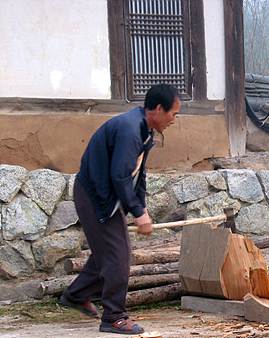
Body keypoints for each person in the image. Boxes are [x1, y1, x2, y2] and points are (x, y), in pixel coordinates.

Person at [59, 84, 180, 335]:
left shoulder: (143, 130)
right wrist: (137, 212)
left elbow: (138, 176)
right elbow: (120, 176)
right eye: (173, 114)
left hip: (101, 194)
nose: (174, 120)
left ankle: (76, 294)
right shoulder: (129, 130)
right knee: (118, 257)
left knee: (108, 253)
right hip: (95, 197)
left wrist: (142, 206)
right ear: (158, 109)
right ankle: (113, 317)